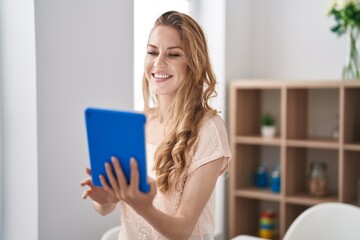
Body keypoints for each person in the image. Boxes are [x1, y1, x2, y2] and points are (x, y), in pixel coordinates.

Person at [81, 10, 232, 240]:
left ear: (194, 64)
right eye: (152, 52)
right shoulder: (134, 124)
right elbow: (107, 208)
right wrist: (106, 200)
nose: (158, 63)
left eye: (173, 55)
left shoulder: (208, 129)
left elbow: (183, 230)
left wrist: (143, 206)